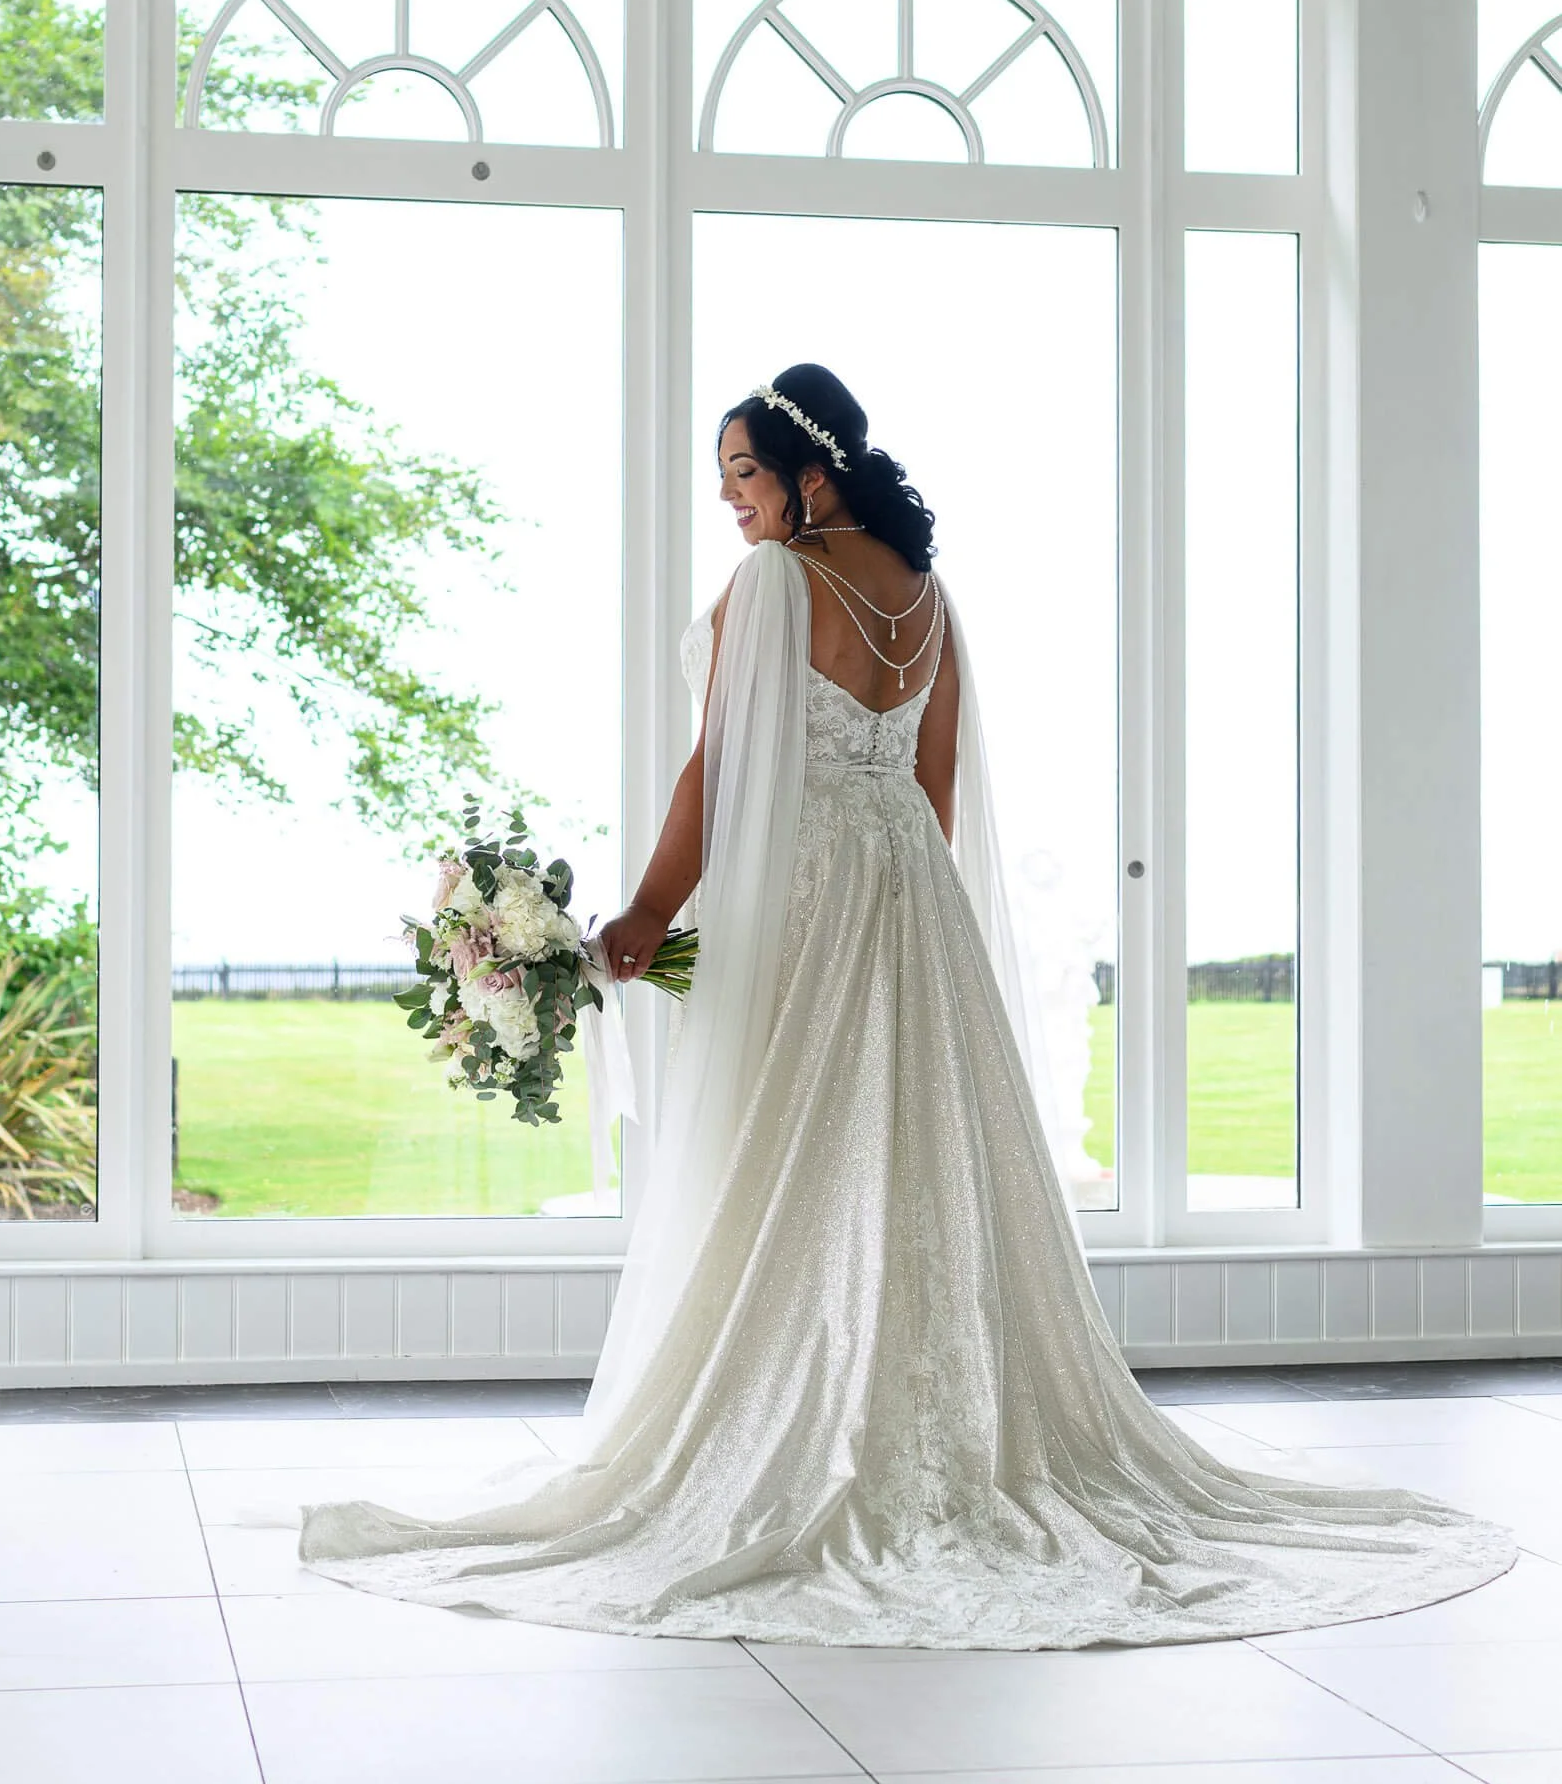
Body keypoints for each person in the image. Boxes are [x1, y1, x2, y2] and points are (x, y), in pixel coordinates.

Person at [301, 364, 1512, 1646]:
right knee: (921, 1161)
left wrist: (648, 916)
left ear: (810, 473)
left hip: (808, 895)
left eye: (744, 474)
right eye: (723, 480)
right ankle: (938, 1418)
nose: (731, 501)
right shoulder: (927, 597)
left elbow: (717, 768)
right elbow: (933, 793)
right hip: (910, 901)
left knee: (795, 1161)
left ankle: (805, 1424)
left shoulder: (775, 582)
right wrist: (888, 894)